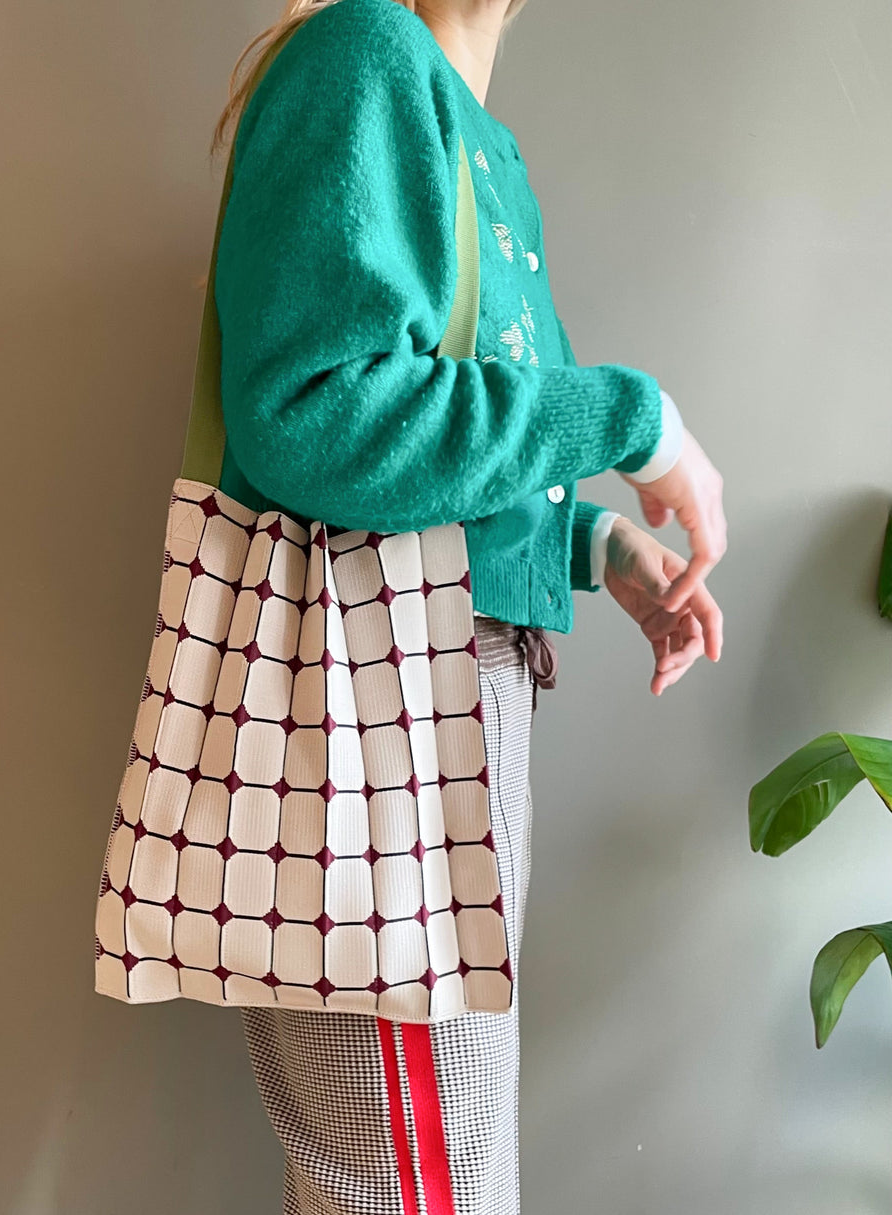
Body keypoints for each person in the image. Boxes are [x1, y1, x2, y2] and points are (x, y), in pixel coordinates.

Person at [208, 1, 726, 1211]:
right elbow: (314, 407)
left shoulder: (462, 120)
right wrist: (634, 422)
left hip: (435, 704)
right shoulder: (367, 51)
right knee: (418, 1181)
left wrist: (597, 549)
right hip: (389, 714)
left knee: (430, 1169)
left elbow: (428, 456)